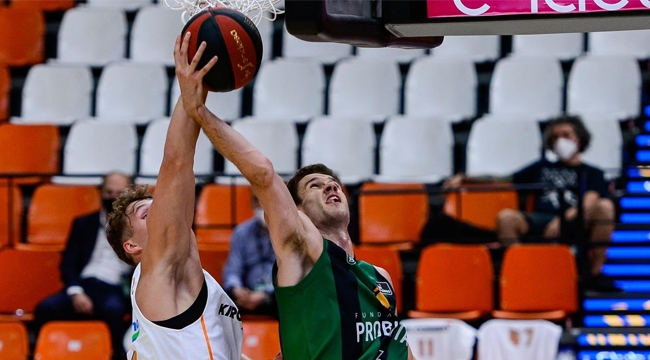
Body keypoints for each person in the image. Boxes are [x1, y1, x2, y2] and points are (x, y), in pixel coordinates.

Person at [175, 32, 415, 359]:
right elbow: (261, 173)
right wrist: (198, 111)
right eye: (315, 185)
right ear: (297, 209)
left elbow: (400, 347)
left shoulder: (380, 277)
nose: (330, 186)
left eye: (333, 183)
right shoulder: (301, 252)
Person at [106, 36, 247, 360]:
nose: (162, 212)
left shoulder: (183, 279)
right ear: (133, 247)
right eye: (146, 215)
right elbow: (177, 163)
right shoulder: (158, 272)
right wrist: (193, 88)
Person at [446, 116, 615, 284]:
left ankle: (595, 274)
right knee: (506, 218)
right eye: (555, 137)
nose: (560, 141)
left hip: (574, 220)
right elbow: (504, 179)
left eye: (566, 135)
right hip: (541, 219)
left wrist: (563, 219)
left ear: (579, 138)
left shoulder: (592, 172)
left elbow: (590, 200)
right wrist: (465, 177)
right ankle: (523, 272)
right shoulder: (542, 167)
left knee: (605, 207)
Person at [33, 172, 134, 358]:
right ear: (101, 192)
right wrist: (76, 292)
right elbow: (68, 263)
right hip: (83, 285)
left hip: (116, 287)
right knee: (45, 308)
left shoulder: (139, 227)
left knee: (115, 310)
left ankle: (114, 354)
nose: (113, 197)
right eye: (109, 191)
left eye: (119, 192)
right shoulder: (83, 224)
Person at [223, 195, 277, 317]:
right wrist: (237, 290)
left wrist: (265, 294)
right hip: (246, 293)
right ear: (252, 203)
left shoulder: (288, 233)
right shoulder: (241, 232)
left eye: (267, 200)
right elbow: (233, 270)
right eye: (257, 200)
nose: (262, 205)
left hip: (275, 295)